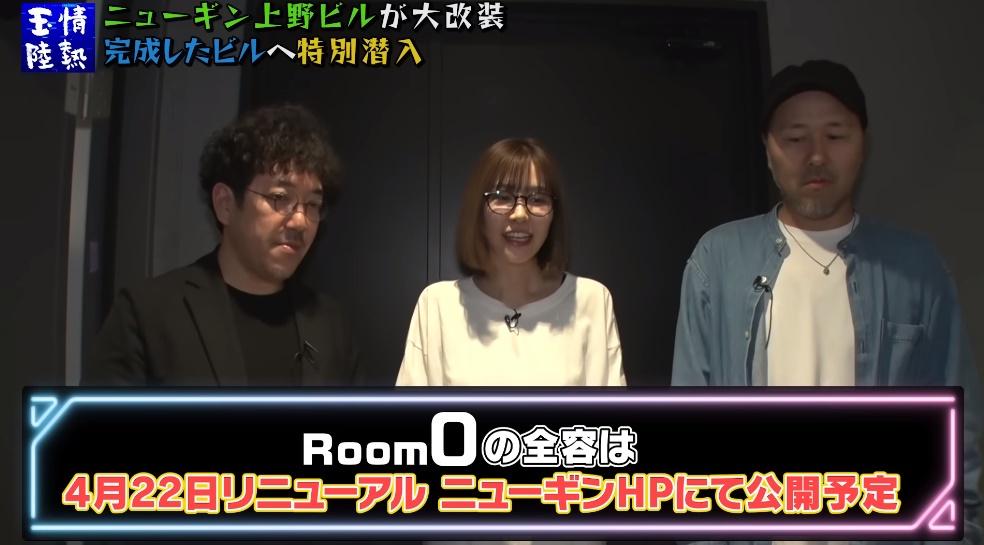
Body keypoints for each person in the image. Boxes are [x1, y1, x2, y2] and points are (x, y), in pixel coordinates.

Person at [671, 59, 982, 543]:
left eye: (835, 136)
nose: (816, 156)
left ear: (863, 144)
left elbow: (959, 429)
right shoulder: (718, 259)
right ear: (768, 150)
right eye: (795, 138)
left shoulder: (916, 266)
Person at [84, 103, 358, 386]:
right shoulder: (147, 315)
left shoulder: (332, 326)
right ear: (225, 204)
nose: (300, 221)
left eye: (312, 204)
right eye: (280, 198)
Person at [396, 137, 625, 385]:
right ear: (478, 210)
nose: (519, 214)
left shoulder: (591, 300)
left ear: (553, 214)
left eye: (537, 199)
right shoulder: (438, 305)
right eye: (502, 197)